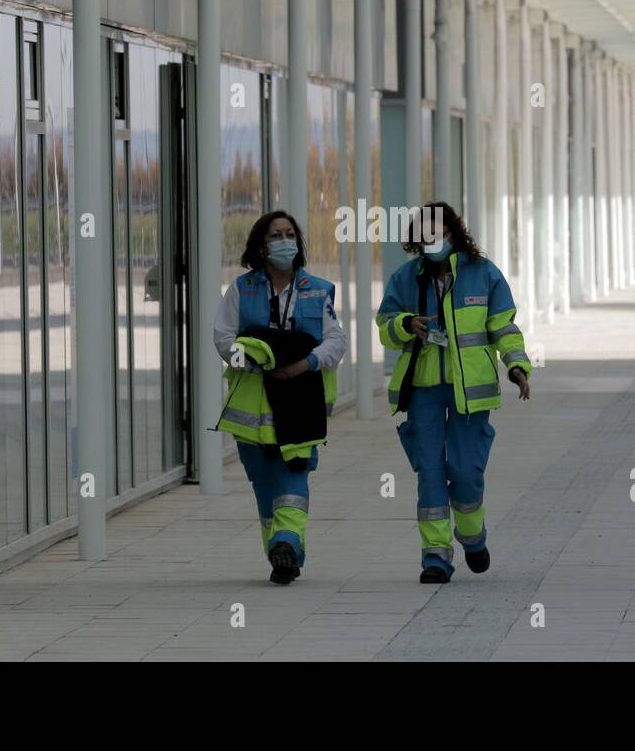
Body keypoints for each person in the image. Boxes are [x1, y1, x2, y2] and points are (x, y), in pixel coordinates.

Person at [376, 202, 532, 584]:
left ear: (453, 233)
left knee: (465, 473)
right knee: (429, 472)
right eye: (425, 235)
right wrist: (405, 324)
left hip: (471, 392)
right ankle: (436, 556)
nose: (433, 241)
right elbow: (384, 325)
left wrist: (517, 366)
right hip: (423, 388)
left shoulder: (483, 274)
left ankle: (472, 537)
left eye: (439, 232)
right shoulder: (405, 279)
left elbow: (504, 326)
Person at [213, 211, 347, 585]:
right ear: (261, 244)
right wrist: (253, 358)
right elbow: (223, 338)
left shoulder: (317, 289)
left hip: (301, 406)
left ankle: (287, 542)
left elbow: (336, 342)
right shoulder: (243, 288)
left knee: (293, 479)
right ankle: (280, 552)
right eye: (276, 235)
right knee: (267, 488)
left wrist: (304, 364)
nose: (284, 241)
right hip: (253, 412)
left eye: (290, 234)